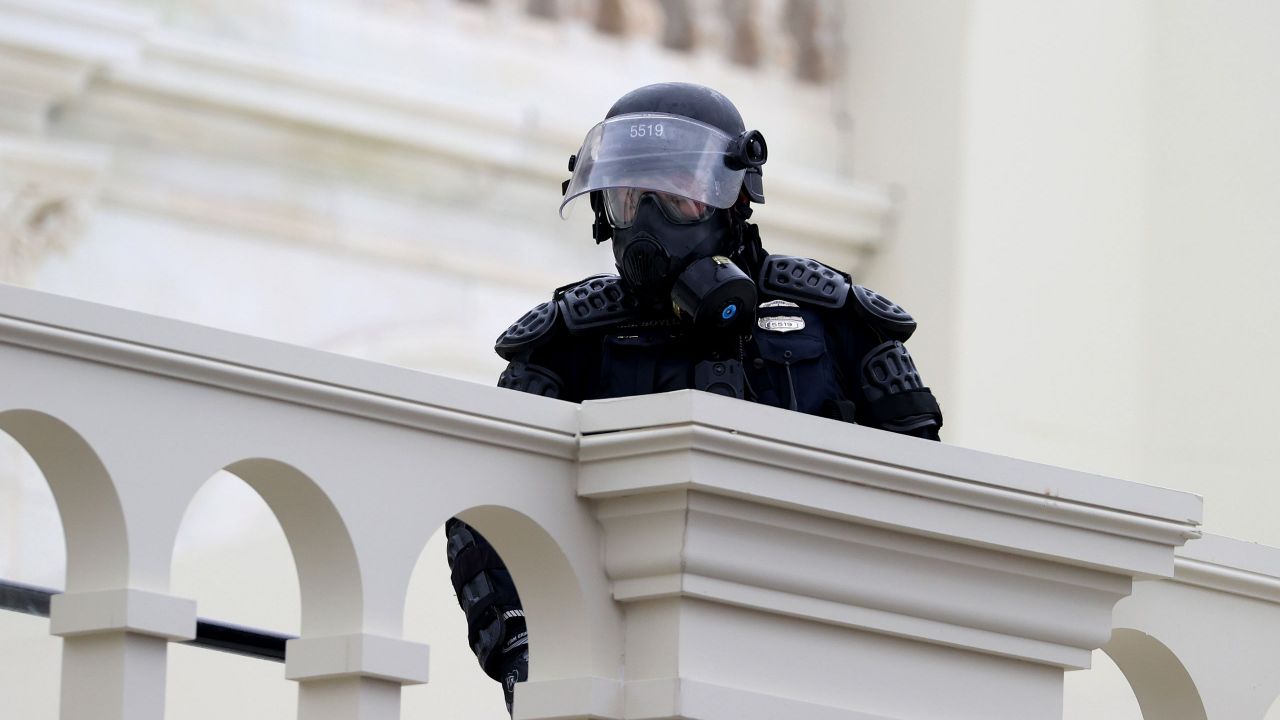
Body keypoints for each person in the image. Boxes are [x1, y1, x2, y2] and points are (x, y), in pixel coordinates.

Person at [445, 82, 943, 715]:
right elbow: (486, 506)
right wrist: (523, 649)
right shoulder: (566, 344)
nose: (647, 219)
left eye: (675, 192)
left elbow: (926, 499)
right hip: (631, 669)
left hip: (816, 667)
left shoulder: (840, 325)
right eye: (630, 196)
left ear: (735, 197)